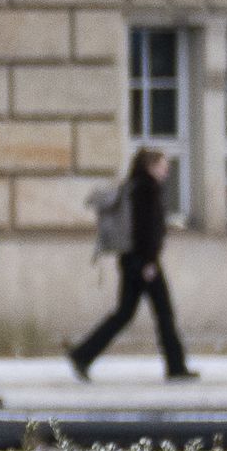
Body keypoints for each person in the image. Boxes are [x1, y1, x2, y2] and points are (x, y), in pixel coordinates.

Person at [69, 142, 192, 381]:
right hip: (144, 262)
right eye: (163, 165)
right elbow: (144, 229)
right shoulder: (146, 189)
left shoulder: (136, 187)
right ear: (151, 166)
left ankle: (82, 355)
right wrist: (148, 262)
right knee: (163, 313)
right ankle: (176, 367)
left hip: (133, 260)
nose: (166, 170)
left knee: (125, 313)